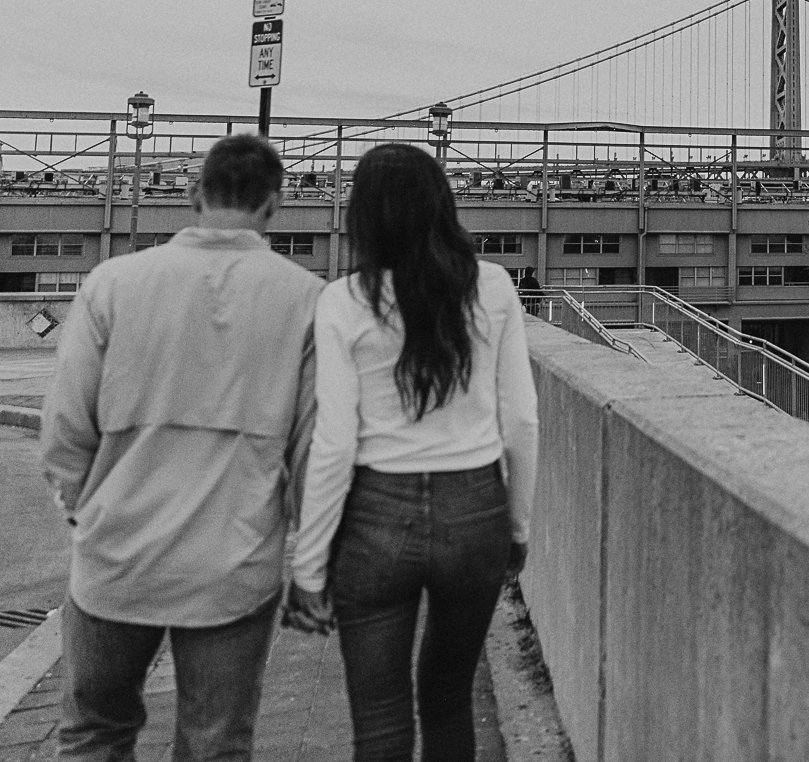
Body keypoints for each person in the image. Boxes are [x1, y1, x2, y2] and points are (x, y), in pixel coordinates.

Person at [41, 135, 322, 762]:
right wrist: (311, 563)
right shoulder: (306, 299)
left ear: (194, 195)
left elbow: (64, 423)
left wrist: (80, 509)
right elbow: (312, 450)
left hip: (116, 557)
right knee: (215, 745)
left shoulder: (114, 282)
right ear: (275, 206)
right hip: (234, 563)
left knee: (94, 733)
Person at [285, 143, 539, 762]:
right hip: (474, 506)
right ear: (441, 205)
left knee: (379, 720)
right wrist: (518, 525)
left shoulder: (344, 300)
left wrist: (308, 564)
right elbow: (522, 422)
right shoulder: (494, 286)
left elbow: (334, 445)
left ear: (363, 216)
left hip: (375, 514)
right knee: (449, 701)